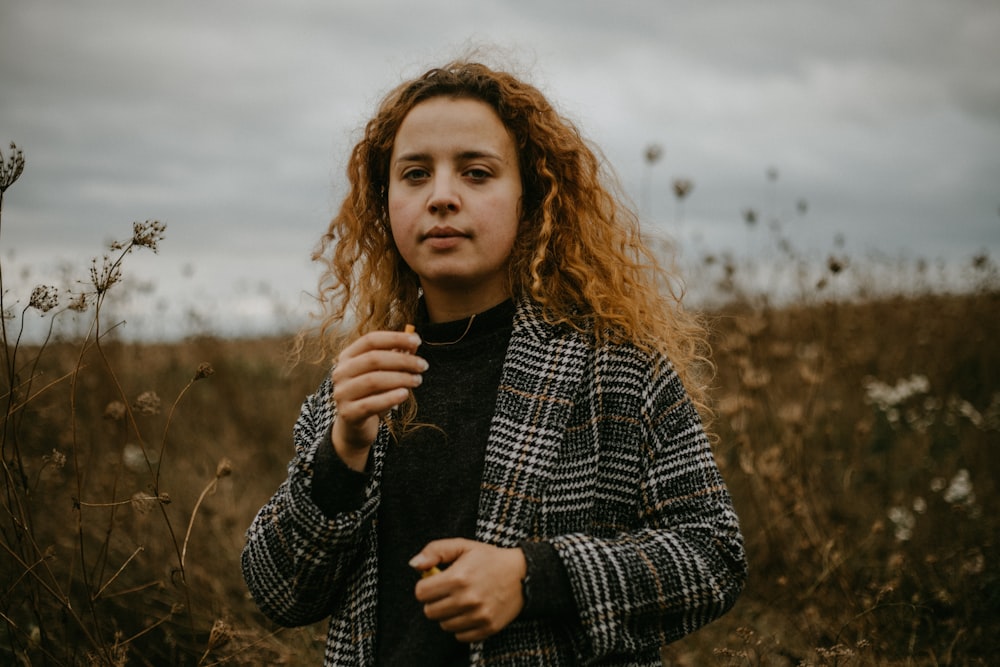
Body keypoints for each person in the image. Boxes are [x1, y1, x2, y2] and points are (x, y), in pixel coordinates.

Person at [242, 59, 746, 666]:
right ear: (385, 201)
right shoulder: (360, 384)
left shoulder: (618, 369)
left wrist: (534, 577)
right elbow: (279, 593)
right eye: (415, 174)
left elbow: (713, 556)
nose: (443, 197)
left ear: (528, 199)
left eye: (476, 173)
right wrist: (341, 452)